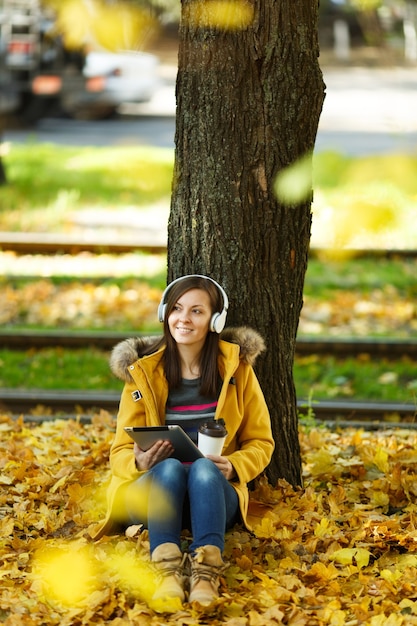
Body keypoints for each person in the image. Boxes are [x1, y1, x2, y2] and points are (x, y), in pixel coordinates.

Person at [93, 275, 274, 606]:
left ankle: (206, 573)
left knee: (204, 470)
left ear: (215, 320)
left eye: (197, 311)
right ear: (165, 314)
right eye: (176, 309)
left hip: (213, 496)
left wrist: (234, 465)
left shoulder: (237, 371)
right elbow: (118, 450)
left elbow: (262, 442)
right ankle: (167, 572)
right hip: (153, 493)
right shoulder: (143, 372)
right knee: (170, 468)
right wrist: (138, 462)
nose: (184, 319)